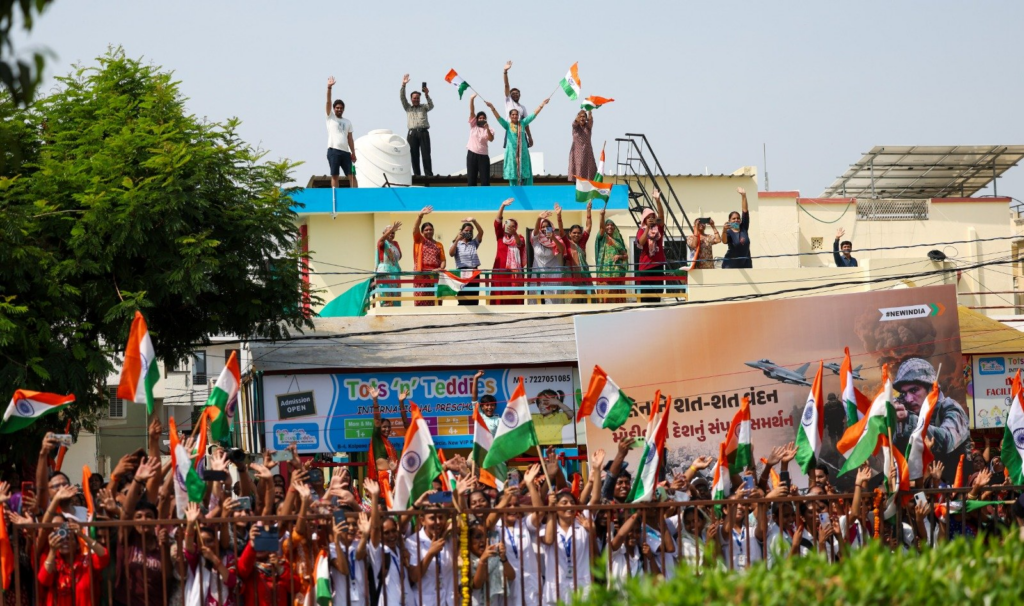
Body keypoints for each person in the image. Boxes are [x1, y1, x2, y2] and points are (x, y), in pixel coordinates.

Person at [892, 358, 970, 458]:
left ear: (931, 389)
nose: (909, 399)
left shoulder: (951, 408)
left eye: (914, 390)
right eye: (904, 393)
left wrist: (909, 419)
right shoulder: (908, 410)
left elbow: (948, 441)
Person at [38, 514, 109, 606]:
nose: (65, 542)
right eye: (61, 540)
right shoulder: (53, 562)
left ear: (77, 545)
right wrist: (52, 550)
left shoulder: (86, 562)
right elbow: (44, 579)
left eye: (69, 538)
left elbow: (104, 555)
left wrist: (82, 535)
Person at [484, 97, 550, 186]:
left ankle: (527, 192)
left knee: (525, 174)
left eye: (516, 114)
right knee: (513, 175)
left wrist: (542, 105)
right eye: (513, 114)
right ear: (510, 116)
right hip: (512, 154)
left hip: (523, 154)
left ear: (518, 116)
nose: (515, 116)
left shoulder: (522, 123)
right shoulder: (507, 125)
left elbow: (533, 115)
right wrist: (492, 108)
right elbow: (498, 117)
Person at [492, 198, 527, 305]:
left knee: (514, 296)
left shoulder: (520, 237)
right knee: (499, 295)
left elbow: (519, 244)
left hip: (515, 273)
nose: (510, 228)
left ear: (516, 228)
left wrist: (514, 233)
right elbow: (497, 221)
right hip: (500, 272)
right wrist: (502, 206)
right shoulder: (500, 237)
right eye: (508, 225)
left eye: (513, 226)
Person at [637, 190, 670, 302]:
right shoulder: (641, 230)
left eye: (652, 216)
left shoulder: (659, 228)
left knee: (657, 295)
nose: (651, 219)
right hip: (645, 268)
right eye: (648, 217)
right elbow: (641, 242)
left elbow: (661, 216)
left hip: (658, 265)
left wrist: (658, 200)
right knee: (646, 297)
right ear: (644, 220)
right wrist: (647, 228)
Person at [325, 76, 357, 189]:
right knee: (335, 175)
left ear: (343, 109)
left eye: (341, 108)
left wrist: (353, 152)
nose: (339, 109)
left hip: (345, 152)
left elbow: (350, 139)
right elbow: (328, 101)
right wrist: (329, 88)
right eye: (337, 108)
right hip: (333, 150)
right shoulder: (330, 118)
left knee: (351, 175)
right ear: (334, 109)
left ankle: (355, 195)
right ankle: (336, 195)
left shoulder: (347, 122)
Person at [400, 74, 434, 177]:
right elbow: (402, 98)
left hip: (423, 132)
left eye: (418, 98)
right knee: (414, 155)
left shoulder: (424, 107)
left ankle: (429, 175)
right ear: (411, 99)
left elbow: (431, 106)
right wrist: (403, 85)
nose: (416, 100)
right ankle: (417, 175)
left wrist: (427, 95)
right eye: (414, 98)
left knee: (426, 155)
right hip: (412, 134)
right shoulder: (408, 108)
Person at [594, 202, 628, 303]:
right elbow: (601, 228)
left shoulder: (618, 241)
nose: (609, 227)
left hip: (617, 274)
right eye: (607, 225)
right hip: (604, 275)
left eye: (612, 225)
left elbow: (626, 256)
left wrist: (619, 256)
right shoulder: (602, 238)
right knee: (605, 298)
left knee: (617, 298)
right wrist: (602, 215)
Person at [531, 207, 567, 305]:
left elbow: (561, 249)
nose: (544, 229)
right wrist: (538, 218)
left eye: (547, 226)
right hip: (537, 273)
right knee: (536, 298)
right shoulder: (536, 240)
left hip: (553, 273)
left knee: (553, 299)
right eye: (542, 226)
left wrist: (553, 238)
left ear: (551, 228)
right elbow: (534, 232)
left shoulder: (556, 238)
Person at [412, 206, 446, 306]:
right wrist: (420, 216)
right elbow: (414, 229)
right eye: (426, 230)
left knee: (436, 299)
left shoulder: (439, 245)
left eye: (430, 229)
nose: (429, 231)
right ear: (422, 232)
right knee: (421, 299)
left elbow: (443, 260)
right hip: (421, 274)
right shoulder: (420, 240)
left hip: (435, 275)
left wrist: (440, 268)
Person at [448, 217, 485, 305]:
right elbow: (451, 254)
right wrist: (457, 239)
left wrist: (474, 221)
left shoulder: (474, 243)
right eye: (466, 230)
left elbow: (481, 232)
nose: (468, 232)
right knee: (463, 296)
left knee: (474, 296)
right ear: (462, 231)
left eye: (470, 231)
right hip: (462, 273)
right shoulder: (456, 243)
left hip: (474, 273)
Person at [563, 201, 593, 302]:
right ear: (570, 234)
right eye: (574, 233)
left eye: (579, 233)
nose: (577, 235)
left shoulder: (582, 242)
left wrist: (588, 211)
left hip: (584, 275)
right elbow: (562, 232)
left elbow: (588, 227)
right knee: (572, 301)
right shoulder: (567, 243)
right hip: (571, 276)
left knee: (587, 299)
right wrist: (559, 216)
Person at [502, 61, 533, 150]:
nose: (515, 95)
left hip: (521, 131)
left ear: (520, 95)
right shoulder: (509, 102)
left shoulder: (522, 108)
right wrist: (505, 72)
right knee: (511, 152)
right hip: (510, 129)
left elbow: (526, 123)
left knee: (522, 154)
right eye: (513, 93)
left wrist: (529, 136)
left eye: (517, 93)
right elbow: (506, 85)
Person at [466, 94, 494, 187]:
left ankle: (485, 198)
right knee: (471, 179)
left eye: (483, 118)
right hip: (472, 154)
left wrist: (487, 128)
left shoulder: (489, 128)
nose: (481, 119)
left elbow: (491, 139)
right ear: (477, 119)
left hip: (483, 156)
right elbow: (472, 111)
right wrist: (471, 99)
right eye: (480, 118)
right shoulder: (474, 126)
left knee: (485, 180)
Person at [722, 187, 751, 269]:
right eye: (733, 219)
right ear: (729, 221)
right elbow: (724, 241)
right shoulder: (729, 231)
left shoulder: (743, 227)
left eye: (738, 218)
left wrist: (744, 196)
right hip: (730, 265)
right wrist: (724, 230)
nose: (736, 220)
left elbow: (745, 211)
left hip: (745, 264)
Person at [376, 222, 403, 307]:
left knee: (396, 300)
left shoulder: (395, 244)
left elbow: (398, 258)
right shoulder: (382, 242)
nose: (391, 234)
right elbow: (382, 240)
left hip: (395, 273)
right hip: (385, 272)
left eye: (393, 232)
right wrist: (391, 229)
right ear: (384, 233)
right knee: (387, 300)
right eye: (389, 232)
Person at [567, 110, 597, 182]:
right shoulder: (575, 127)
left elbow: (590, 121)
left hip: (587, 154)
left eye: (583, 117)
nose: (582, 118)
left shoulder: (588, 127)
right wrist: (577, 117)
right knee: (577, 171)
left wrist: (589, 111)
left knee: (588, 174)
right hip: (576, 154)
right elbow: (574, 123)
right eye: (580, 117)